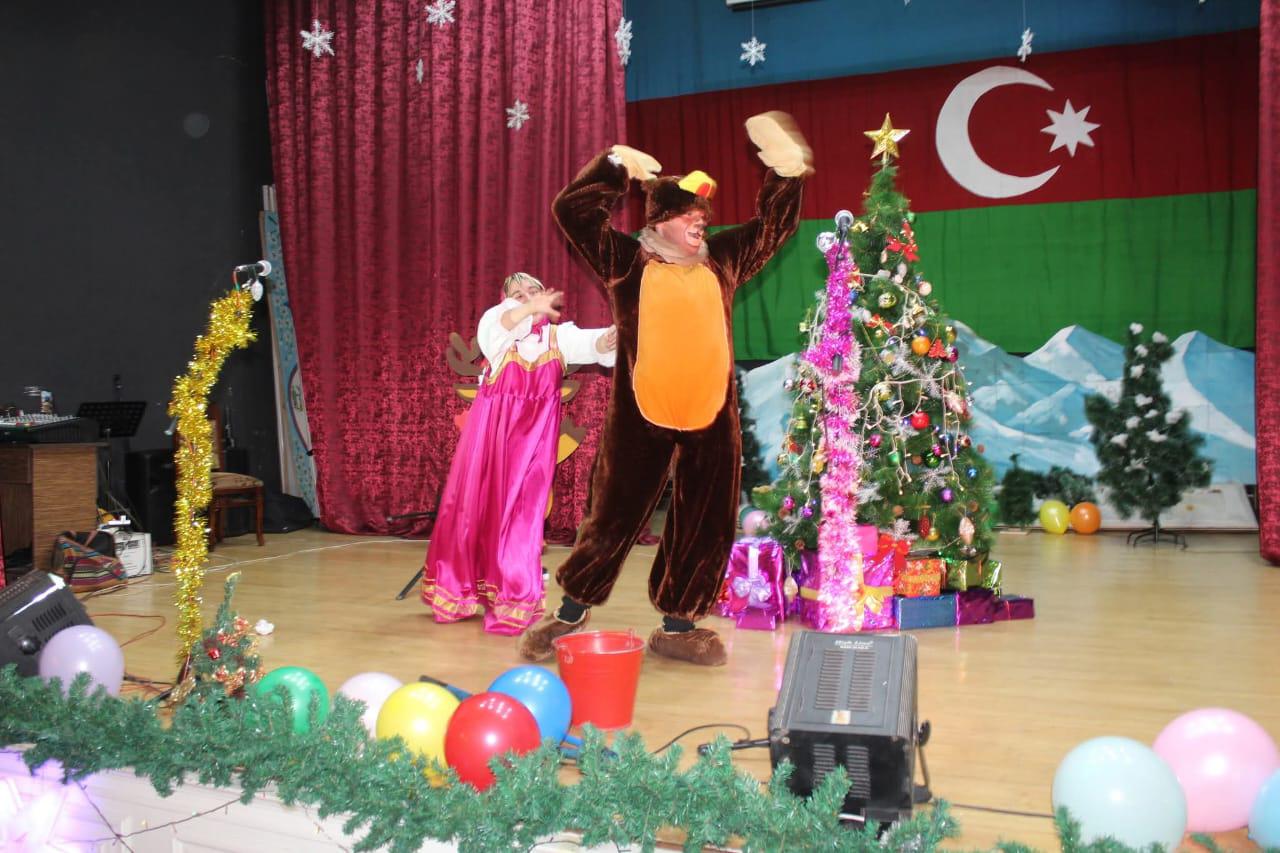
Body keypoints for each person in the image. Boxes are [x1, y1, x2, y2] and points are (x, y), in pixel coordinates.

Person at [517, 112, 812, 666]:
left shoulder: (722, 260)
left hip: (711, 417)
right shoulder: (627, 261)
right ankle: (570, 613)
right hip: (641, 416)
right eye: (688, 215)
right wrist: (613, 168)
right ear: (659, 220)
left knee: (704, 523)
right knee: (613, 516)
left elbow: (773, 228)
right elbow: (571, 212)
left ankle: (679, 626)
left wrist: (785, 175)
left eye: (703, 216)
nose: (700, 222)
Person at [422, 272, 616, 635]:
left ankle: (512, 599)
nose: (526, 296)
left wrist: (610, 338)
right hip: (490, 437)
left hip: (533, 444)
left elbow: (594, 344)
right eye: (517, 293)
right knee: (471, 510)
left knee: (522, 517)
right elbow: (497, 328)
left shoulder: (558, 336)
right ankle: (458, 591)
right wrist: (527, 308)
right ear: (506, 299)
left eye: (533, 290)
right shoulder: (499, 328)